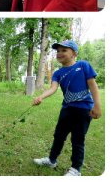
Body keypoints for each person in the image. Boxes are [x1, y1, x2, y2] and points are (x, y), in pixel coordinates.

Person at [32, 40, 102, 176]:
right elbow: (53, 88)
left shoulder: (83, 65)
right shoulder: (58, 73)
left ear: (74, 53)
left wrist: (97, 106)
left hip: (83, 110)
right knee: (59, 136)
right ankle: (52, 160)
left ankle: (76, 169)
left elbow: (93, 86)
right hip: (67, 109)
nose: (59, 53)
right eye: (58, 51)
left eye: (64, 50)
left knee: (77, 139)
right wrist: (41, 97)